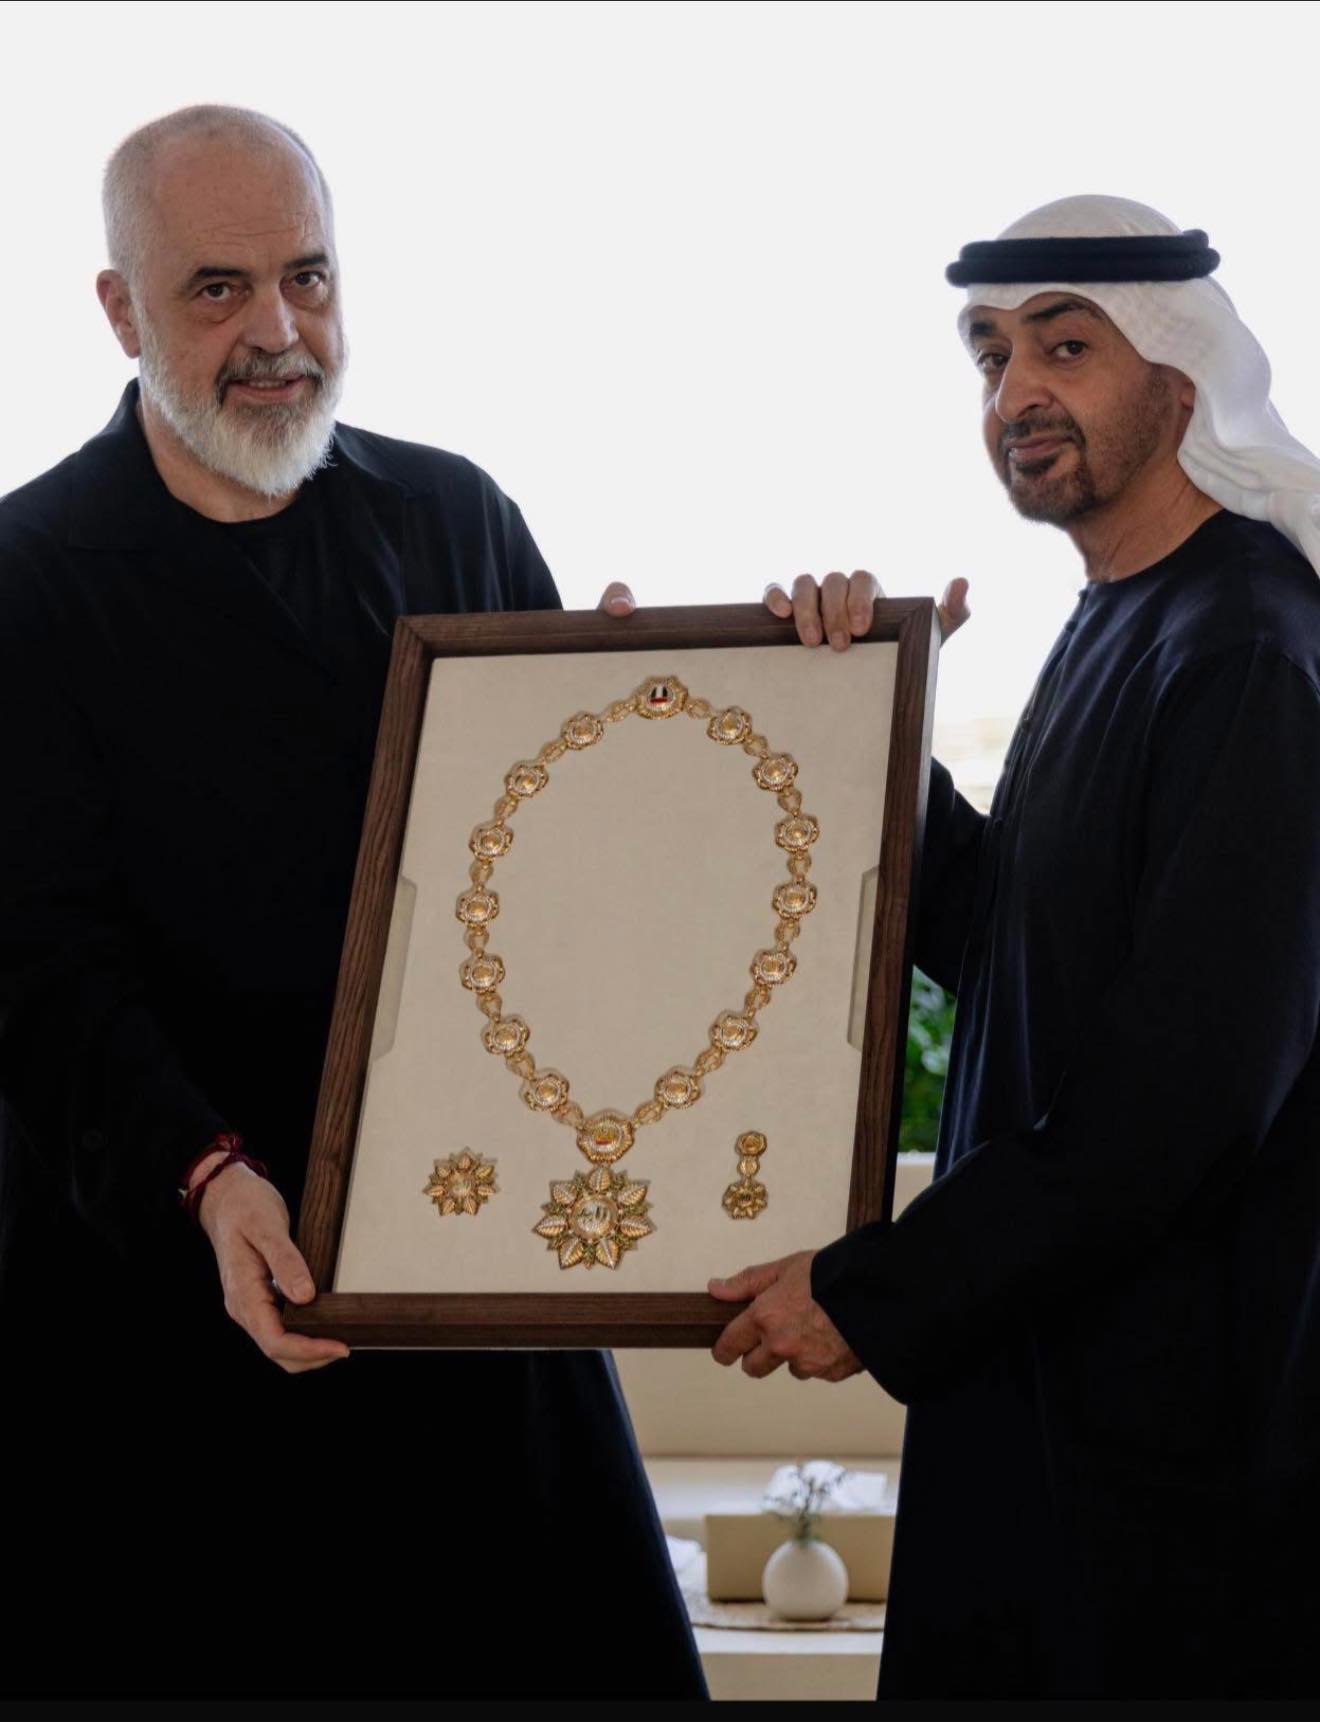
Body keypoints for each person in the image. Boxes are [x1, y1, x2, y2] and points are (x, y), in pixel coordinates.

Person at [0, 104, 703, 1701]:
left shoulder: (454, 518)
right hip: (154, 1306)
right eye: (219, 289)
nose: (279, 332)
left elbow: (563, 884)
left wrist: (652, 719)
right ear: (119, 309)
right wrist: (207, 1177)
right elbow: (34, 966)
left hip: (464, 1300)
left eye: (308, 278)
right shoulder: (27, 576)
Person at [708, 195, 1320, 1699]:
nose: (1016, 392)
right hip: (1046, 1408)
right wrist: (859, 722)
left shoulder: (1249, 645)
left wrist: (876, 1290)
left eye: (1065, 345)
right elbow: (1011, 948)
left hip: (1175, 1467)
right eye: (989, 356)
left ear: (1180, 370)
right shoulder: (1124, 619)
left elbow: (1183, 1101)